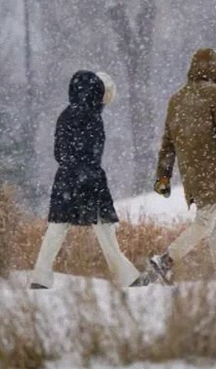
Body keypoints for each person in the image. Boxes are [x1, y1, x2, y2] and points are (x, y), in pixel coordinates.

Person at [30, 70, 143, 289]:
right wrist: (86, 172)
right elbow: (94, 152)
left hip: (65, 179)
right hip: (91, 180)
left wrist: (71, 168)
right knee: (104, 229)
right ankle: (126, 276)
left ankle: (39, 277)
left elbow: (58, 152)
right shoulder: (93, 117)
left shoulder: (64, 115)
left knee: (57, 227)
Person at [148, 48, 216, 284]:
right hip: (211, 166)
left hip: (190, 170)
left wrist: (162, 177)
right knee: (206, 221)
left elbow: (167, 144)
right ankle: (166, 260)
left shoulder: (176, 98)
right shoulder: (215, 94)